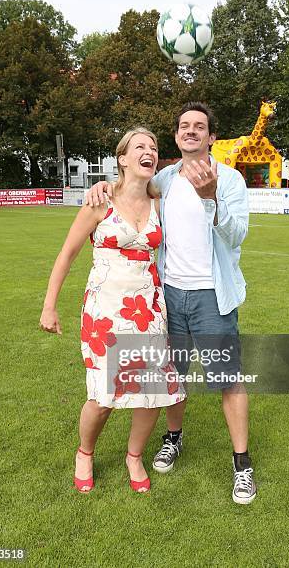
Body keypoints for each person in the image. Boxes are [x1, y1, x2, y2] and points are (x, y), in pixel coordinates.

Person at [86, 102, 257, 504]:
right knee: (171, 378)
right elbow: (126, 189)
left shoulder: (230, 180)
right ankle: (173, 438)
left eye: (200, 127)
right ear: (177, 136)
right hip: (166, 298)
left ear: (212, 137)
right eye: (184, 126)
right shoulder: (162, 178)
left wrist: (211, 197)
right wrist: (102, 186)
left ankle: (242, 465)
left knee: (227, 380)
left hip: (212, 298)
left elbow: (236, 237)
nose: (191, 131)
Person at [40, 127, 185, 494]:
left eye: (153, 147)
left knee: (152, 390)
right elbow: (67, 253)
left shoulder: (159, 202)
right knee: (103, 397)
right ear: (122, 158)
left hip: (149, 309)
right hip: (104, 312)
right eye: (140, 146)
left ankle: (133, 456)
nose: (149, 151)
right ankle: (85, 452)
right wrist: (49, 306)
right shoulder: (100, 201)